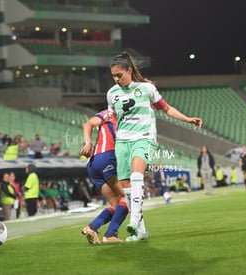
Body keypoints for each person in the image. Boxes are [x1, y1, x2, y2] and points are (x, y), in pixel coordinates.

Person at [106, 52, 203, 240]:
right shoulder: (111, 94)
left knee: (136, 174)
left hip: (144, 137)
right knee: (125, 185)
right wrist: (116, 138)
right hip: (122, 142)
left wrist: (187, 119)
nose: (116, 79)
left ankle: (133, 220)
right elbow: (114, 118)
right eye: (113, 76)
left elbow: (166, 108)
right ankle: (141, 231)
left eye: (119, 75)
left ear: (129, 70)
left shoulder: (146, 88)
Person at [80, 110, 130, 243]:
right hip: (107, 157)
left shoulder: (107, 114)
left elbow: (88, 124)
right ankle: (110, 235)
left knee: (115, 203)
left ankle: (92, 227)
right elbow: (88, 124)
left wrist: (88, 143)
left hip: (92, 162)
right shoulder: (119, 116)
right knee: (127, 197)